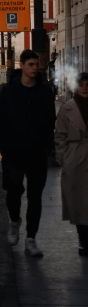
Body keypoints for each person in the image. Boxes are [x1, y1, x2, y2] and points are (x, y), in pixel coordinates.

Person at [0, 48, 56, 257]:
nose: (34, 69)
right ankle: (14, 221)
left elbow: (50, 120)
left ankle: (31, 238)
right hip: (13, 152)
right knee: (13, 190)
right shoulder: (9, 91)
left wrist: (48, 147)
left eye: (36, 65)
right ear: (22, 66)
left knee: (35, 196)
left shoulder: (45, 91)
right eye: (30, 65)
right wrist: (3, 148)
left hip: (37, 152)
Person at [55, 72, 88, 256]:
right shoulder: (67, 108)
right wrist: (64, 157)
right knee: (79, 202)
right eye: (81, 84)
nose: (84, 87)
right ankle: (83, 239)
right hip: (75, 159)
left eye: (87, 84)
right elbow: (59, 135)